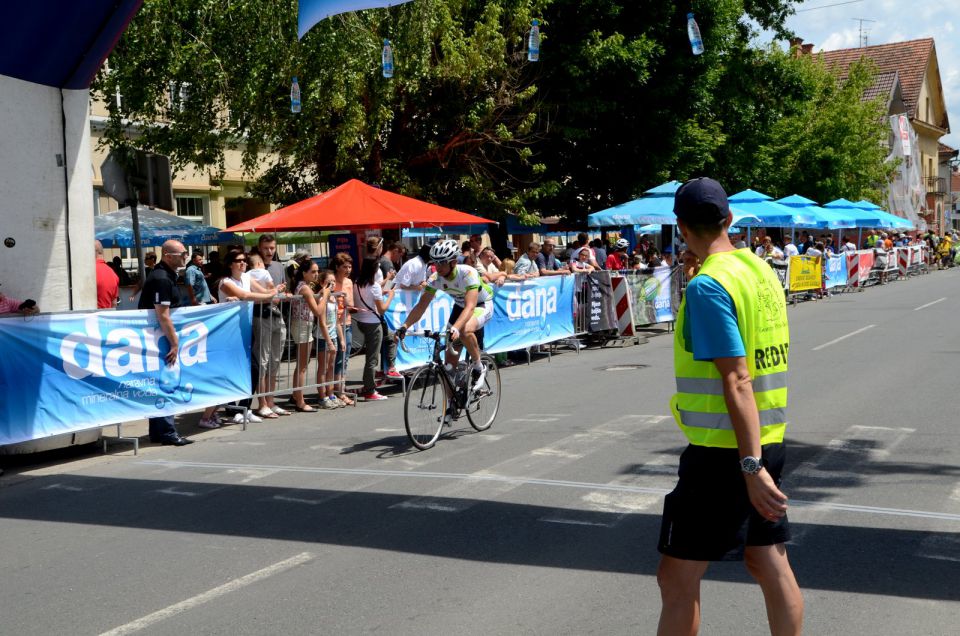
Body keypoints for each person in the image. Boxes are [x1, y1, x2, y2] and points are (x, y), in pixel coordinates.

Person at [656, 178, 802, 635]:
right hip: (768, 435)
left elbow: (736, 377)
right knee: (768, 561)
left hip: (726, 450)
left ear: (680, 226)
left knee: (676, 578)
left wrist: (749, 464)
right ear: (730, 219)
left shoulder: (707, 286)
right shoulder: (758, 269)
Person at [396, 240, 494, 399]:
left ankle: (479, 366)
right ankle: (450, 406)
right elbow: (421, 306)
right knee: (448, 367)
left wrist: (456, 327)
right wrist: (404, 326)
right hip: (459, 306)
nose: (438, 266)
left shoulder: (467, 273)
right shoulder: (435, 278)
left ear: (453, 262)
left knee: (464, 329)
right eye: (435, 262)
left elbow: (470, 306)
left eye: (442, 262)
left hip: (481, 304)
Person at [196, 251, 279, 428]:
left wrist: (275, 291)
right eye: (238, 261)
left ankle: (244, 408)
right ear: (230, 264)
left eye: (244, 261)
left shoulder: (247, 278)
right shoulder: (225, 282)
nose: (242, 264)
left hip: (245, 331)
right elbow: (246, 296)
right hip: (228, 334)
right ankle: (220, 413)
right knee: (228, 373)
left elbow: (264, 291)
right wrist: (269, 296)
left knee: (253, 370)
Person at [137, 240, 194, 446]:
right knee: (167, 383)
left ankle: (158, 432)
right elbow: (163, 316)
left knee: (161, 383)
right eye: (182, 253)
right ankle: (168, 432)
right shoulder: (161, 278)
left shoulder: (167, 275)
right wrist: (175, 343)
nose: (185, 256)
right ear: (168, 256)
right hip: (160, 339)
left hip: (160, 337)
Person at [252, 235, 290, 417]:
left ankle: (271, 401)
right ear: (259, 248)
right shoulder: (252, 267)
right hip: (260, 316)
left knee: (275, 359)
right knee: (263, 359)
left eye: (272, 248)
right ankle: (262, 403)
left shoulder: (279, 266)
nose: (269, 252)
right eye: (266, 248)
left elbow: (282, 290)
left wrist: (284, 293)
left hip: (277, 314)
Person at [354, 256, 395, 401]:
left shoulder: (357, 283)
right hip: (373, 323)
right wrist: (390, 296)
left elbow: (368, 298)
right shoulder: (375, 286)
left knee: (371, 357)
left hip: (361, 321)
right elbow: (382, 309)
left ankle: (368, 386)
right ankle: (370, 390)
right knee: (372, 359)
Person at [332, 252, 356, 406]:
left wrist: (347, 301)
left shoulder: (348, 282)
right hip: (334, 322)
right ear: (337, 267)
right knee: (337, 358)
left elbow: (351, 304)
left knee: (345, 356)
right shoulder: (332, 281)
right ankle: (336, 389)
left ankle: (341, 387)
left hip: (346, 321)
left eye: (349, 266)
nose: (348, 269)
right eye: (344, 267)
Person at [95, 240, 119, 309]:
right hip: (107, 316)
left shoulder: (89, 271)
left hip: (91, 317)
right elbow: (114, 303)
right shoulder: (113, 274)